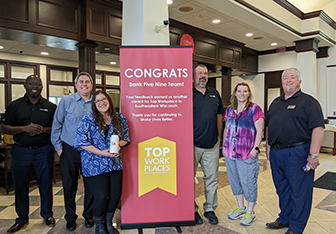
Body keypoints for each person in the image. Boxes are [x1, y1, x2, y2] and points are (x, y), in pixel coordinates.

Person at [265, 68, 324, 234]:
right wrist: (268, 148)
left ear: (299, 81)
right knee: (282, 188)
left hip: (298, 152)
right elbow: (269, 126)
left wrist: (313, 155)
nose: (288, 80)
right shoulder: (276, 102)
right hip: (277, 153)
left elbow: (318, 128)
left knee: (299, 192)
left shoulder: (308, 102)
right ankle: (284, 218)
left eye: (292, 77)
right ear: (282, 82)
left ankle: (296, 227)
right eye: (285, 78)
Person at [0, 75, 57, 233]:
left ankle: (47, 214)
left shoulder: (50, 106)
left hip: (43, 150)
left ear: (42, 87)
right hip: (21, 150)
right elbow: (3, 128)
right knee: (20, 186)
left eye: (38, 84)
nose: (35, 86)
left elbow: (57, 128)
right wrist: (24, 129)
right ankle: (22, 219)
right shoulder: (15, 106)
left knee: (45, 184)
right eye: (31, 83)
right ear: (25, 85)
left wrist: (42, 129)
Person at [74, 90, 130, 234]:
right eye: (98, 101)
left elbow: (125, 138)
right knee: (101, 196)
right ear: (94, 104)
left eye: (104, 99)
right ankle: (99, 226)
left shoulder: (120, 118)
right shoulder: (88, 119)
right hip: (93, 164)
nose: (101, 102)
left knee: (115, 194)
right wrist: (102, 152)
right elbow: (81, 142)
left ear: (109, 101)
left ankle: (108, 223)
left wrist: (118, 145)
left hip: (115, 163)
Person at [51, 72, 95, 231]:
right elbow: (57, 124)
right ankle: (70, 218)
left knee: (90, 185)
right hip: (69, 149)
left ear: (91, 85)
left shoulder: (97, 102)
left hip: (90, 151)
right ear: (76, 85)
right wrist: (59, 148)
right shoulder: (66, 101)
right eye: (81, 82)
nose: (85, 84)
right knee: (69, 186)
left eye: (87, 82)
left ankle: (89, 215)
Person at [222, 82, 265, 226]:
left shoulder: (255, 109)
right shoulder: (229, 110)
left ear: (248, 93)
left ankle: (250, 212)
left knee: (248, 182)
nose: (242, 94)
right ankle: (241, 207)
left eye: (245, 91)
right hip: (230, 153)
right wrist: (224, 146)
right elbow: (227, 127)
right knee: (235, 181)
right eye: (239, 91)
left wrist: (255, 149)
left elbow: (260, 131)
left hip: (247, 153)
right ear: (235, 93)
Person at [193, 64, 224, 225]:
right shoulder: (187, 93)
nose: (203, 76)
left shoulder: (215, 94)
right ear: (193, 76)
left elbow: (220, 116)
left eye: (205, 73)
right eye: (200, 73)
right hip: (191, 145)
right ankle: (192, 209)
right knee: (188, 178)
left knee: (211, 178)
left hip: (211, 144)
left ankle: (210, 208)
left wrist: (218, 138)